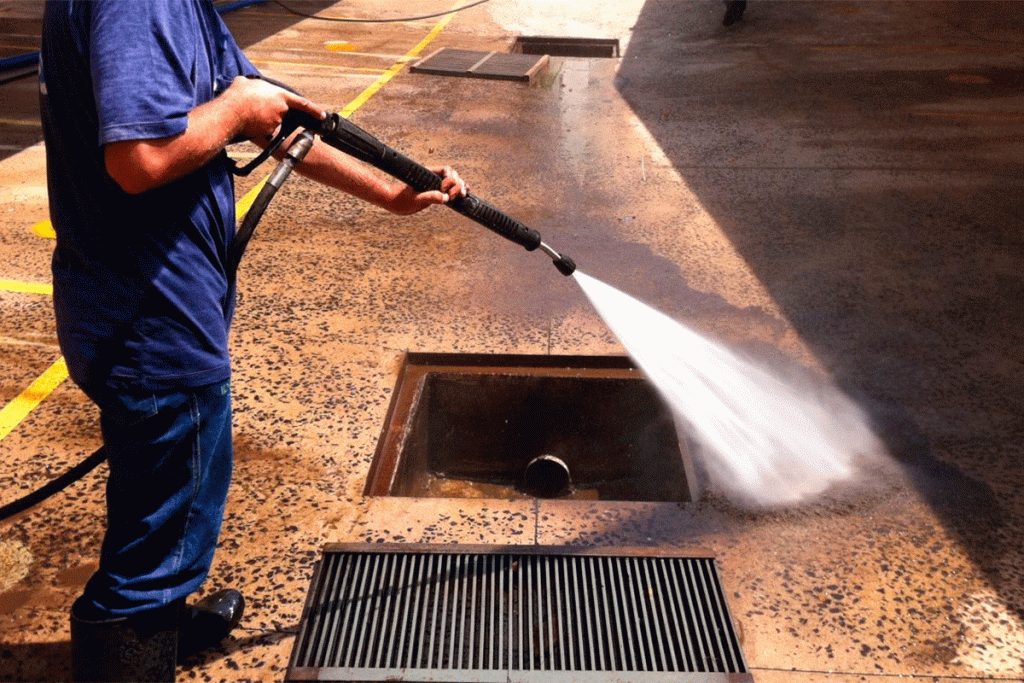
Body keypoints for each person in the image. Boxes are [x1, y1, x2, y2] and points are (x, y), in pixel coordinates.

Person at [39, 1, 466, 680]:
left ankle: (164, 619)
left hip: (141, 310)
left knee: (165, 506)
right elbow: (138, 159)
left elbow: (280, 122)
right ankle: (130, 643)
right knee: (157, 534)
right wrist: (236, 111)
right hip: (153, 325)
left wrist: (393, 189)